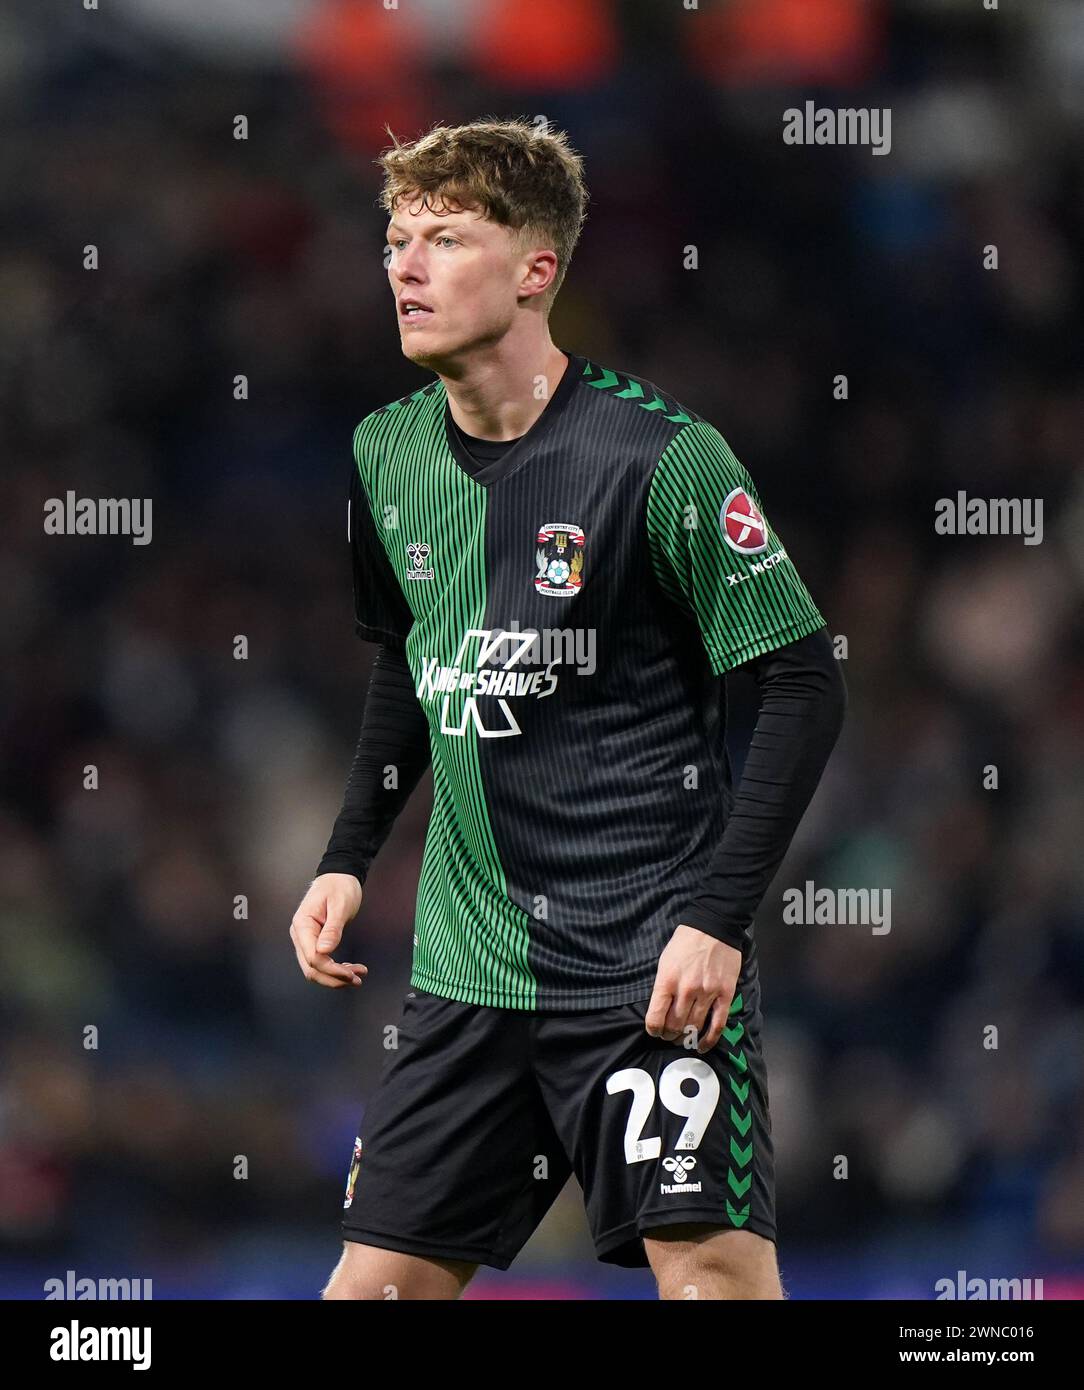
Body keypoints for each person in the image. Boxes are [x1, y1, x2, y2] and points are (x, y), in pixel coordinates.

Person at [290, 118, 847, 1300]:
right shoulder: (383, 453)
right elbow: (409, 657)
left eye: (443, 238)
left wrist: (718, 917)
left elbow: (802, 683)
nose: (403, 265)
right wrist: (348, 853)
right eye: (395, 239)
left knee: (711, 1283)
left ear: (537, 270)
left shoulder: (663, 458)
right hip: (466, 968)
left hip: (649, 969)